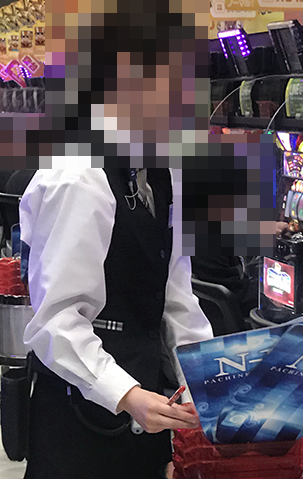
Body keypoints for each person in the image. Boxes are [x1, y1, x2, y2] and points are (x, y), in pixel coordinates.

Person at [19, 2, 213, 478]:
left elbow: (174, 294)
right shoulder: (77, 176)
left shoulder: (164, 170)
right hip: (81, 420)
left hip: (145, 410)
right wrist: (125, 394)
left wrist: (207, 380)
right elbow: (56, 322)